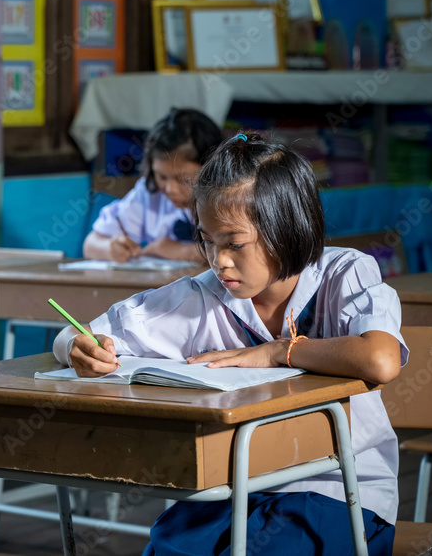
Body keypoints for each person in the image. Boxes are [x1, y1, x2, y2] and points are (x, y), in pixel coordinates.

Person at [57, 133, 404, 555]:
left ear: (286, 229)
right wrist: (77, 348)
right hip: (236, 488)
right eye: (207, 240)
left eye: (235, 243)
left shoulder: (344, 273)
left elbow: (381, 360)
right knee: (168, 545)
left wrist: (278, 352)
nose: (219, 260)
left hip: (341, 492)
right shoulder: (200, 296)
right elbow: (80, 334)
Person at [83, 107, 223, 263]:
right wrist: (110, 248)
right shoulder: (150, 194)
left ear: (211, 169)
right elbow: (91, 244)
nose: (170, 190)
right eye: (161, 176)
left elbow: (244, 250)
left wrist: (181, 250)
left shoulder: (232, 197)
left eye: (183, 179)